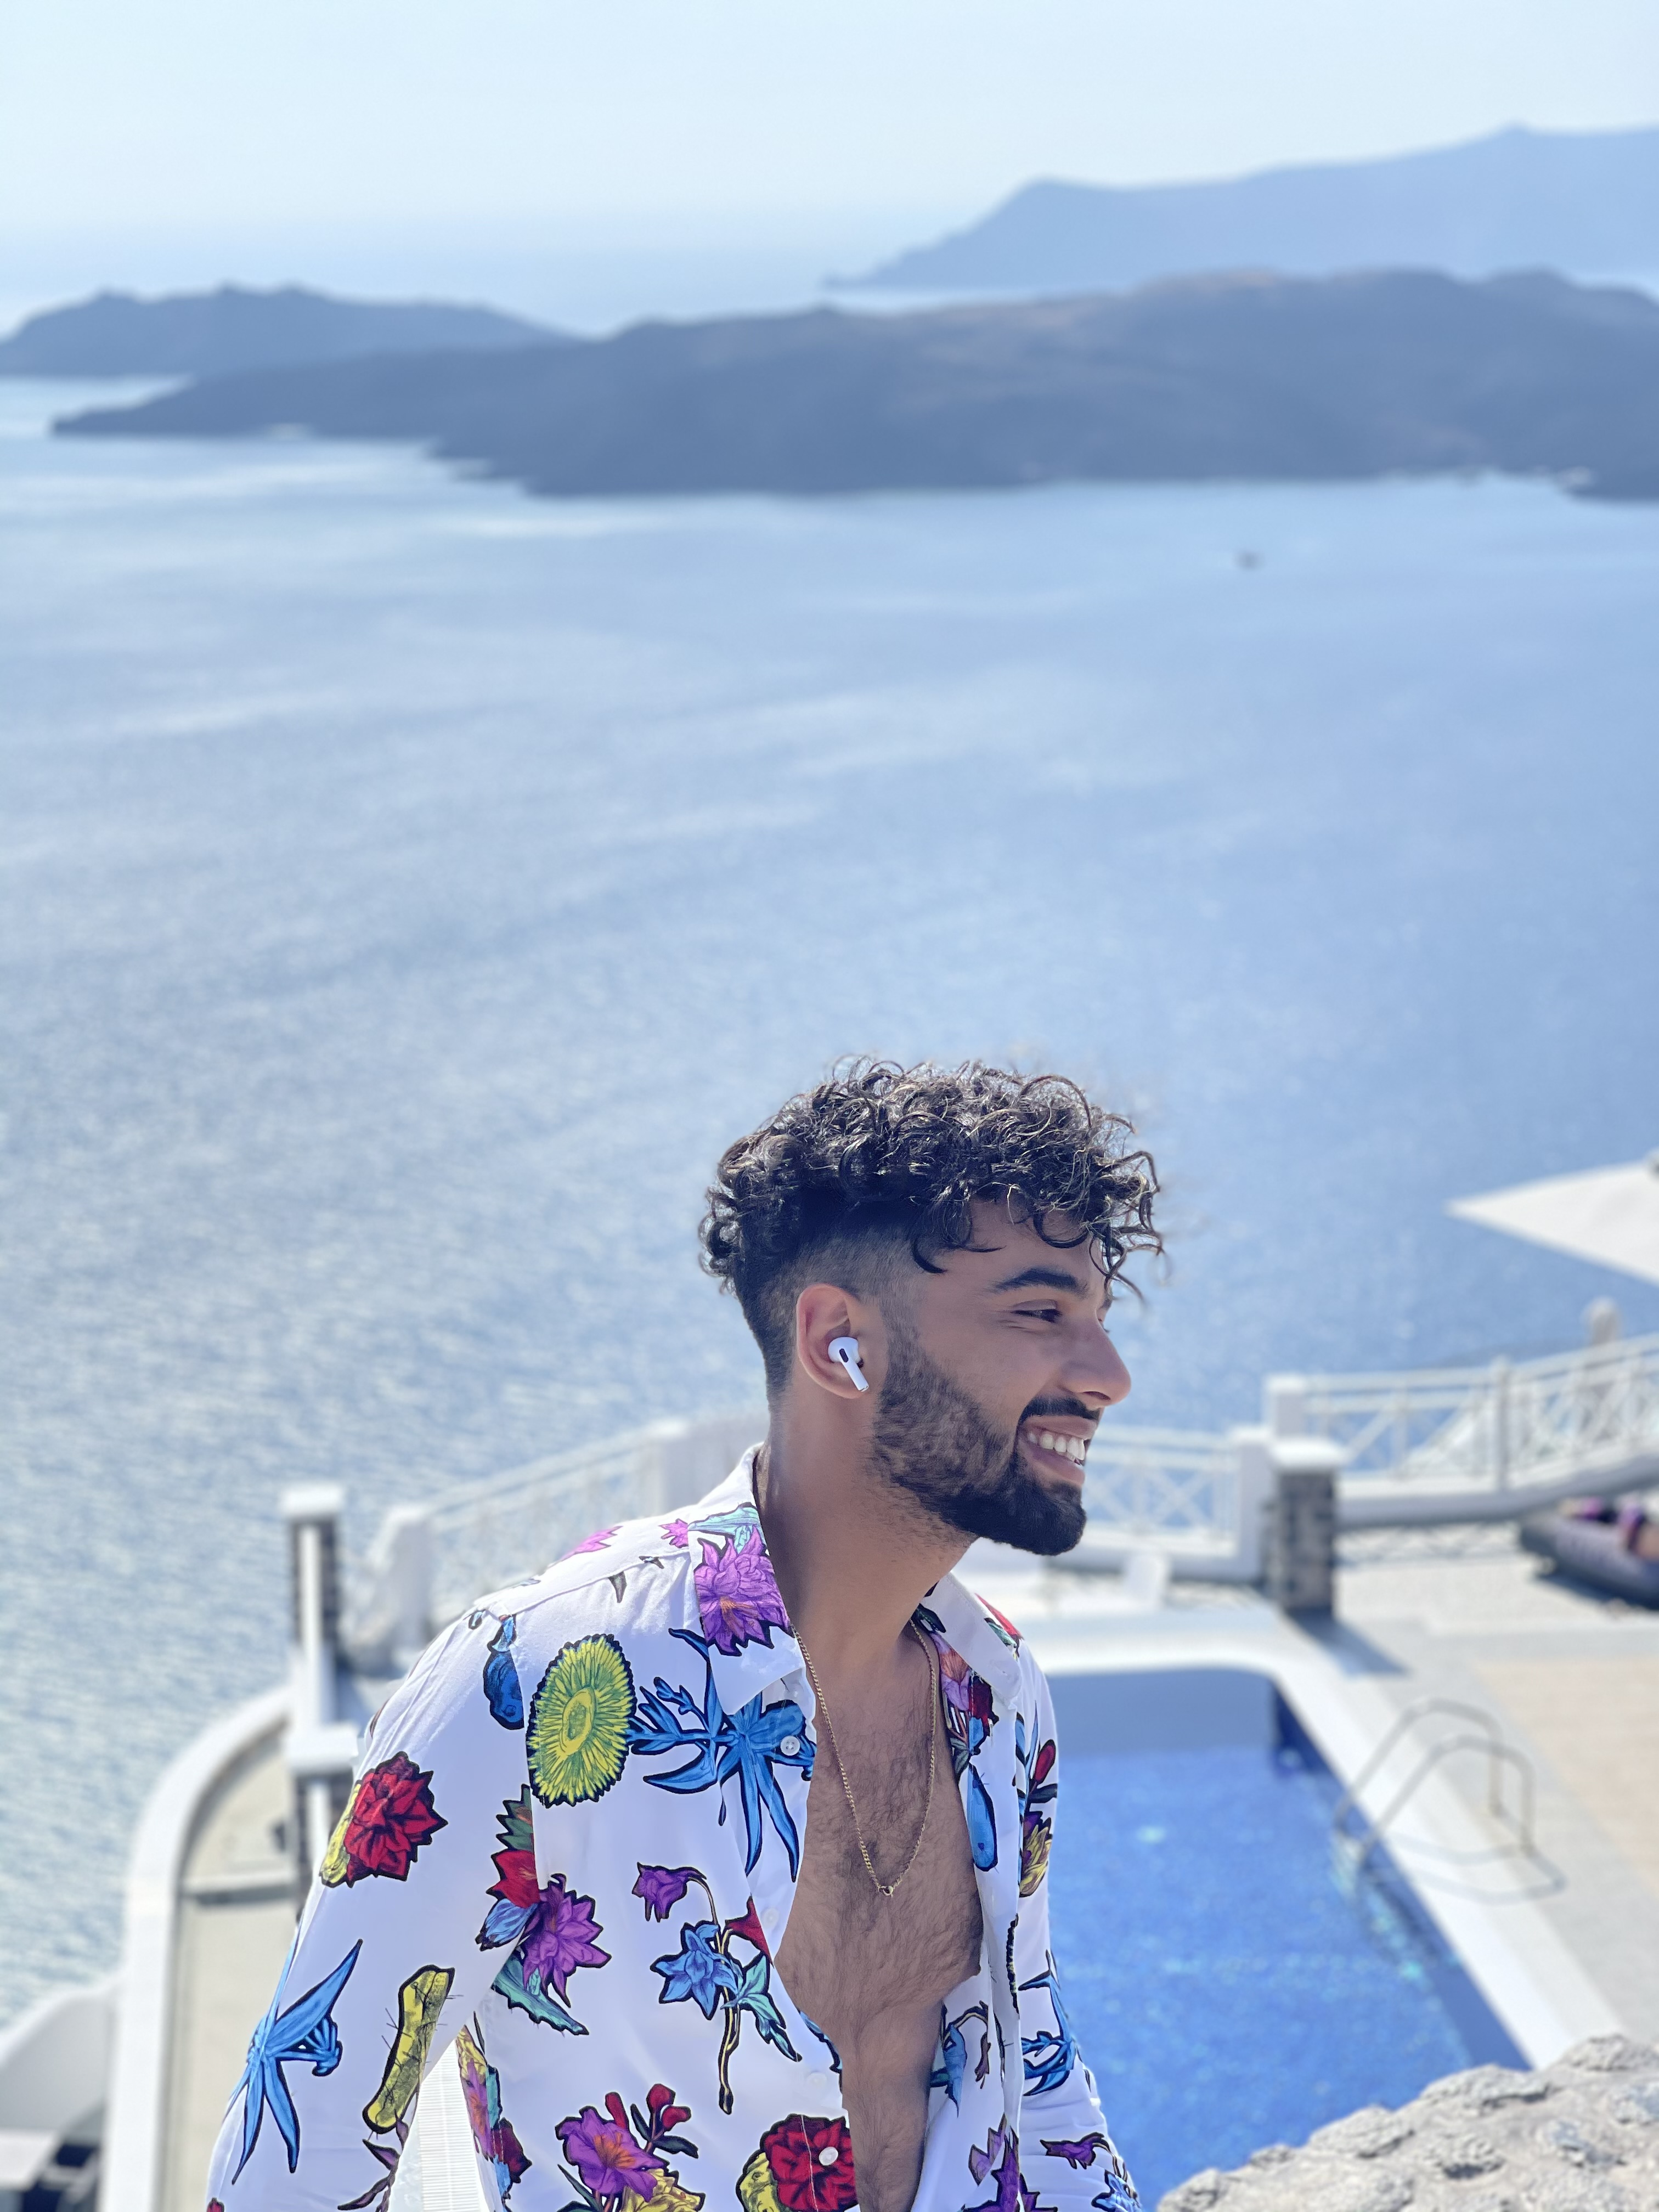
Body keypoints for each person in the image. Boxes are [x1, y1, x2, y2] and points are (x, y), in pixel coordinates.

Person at [205, 1060, 1160, 2212]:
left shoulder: (997, 1693)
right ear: (840, 1343)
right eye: (1042, 1313)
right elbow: (297, 2154)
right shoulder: (531, 1683)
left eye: (1098, 1321)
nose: (1108, 1376)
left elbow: (1038, 2088)